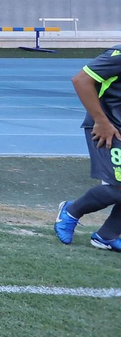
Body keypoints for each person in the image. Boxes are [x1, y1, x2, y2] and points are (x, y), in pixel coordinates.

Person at [53, 44, 121, 253]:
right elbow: (81, 80)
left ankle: (107, 235)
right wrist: (101, 121)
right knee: (117, 188)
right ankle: (71, 211)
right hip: (108, 128)